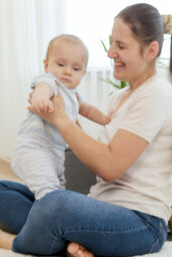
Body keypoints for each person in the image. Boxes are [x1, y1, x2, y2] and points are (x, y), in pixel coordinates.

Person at [0, 3, 172, 257]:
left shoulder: (157, 94)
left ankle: (15, 242)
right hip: (102, 209)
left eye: (120, 46)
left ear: (151, 50)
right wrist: (63, 116)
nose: (110, 53)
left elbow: (109, 167)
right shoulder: (118, 99)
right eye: (111, 43)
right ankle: (65, 244)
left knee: (54, 203)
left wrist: (61, 119)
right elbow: (97, 162)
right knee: (0, 191)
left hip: (141, 223)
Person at [12, 34, 110, 200]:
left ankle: (54, 216)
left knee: (59, 190)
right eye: (61, 64)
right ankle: (49, 216)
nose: (67, 71)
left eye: (76, 69)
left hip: (56, 152)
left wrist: (106, 120)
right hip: (34, 147)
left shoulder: (75, 95)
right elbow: (42, 90)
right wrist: (41, 100)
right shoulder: (50, 81)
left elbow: (87, 110)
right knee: (48, 191)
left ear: (83, 73)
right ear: (46, 65)